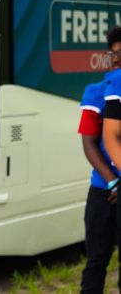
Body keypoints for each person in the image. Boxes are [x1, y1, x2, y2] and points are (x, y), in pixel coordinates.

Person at [78, 26, 121, 293]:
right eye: (113, 53)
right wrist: (113, 181)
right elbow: (88, 143)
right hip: (103, 190)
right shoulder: (95, 91)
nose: (116, 57)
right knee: (96, 261)